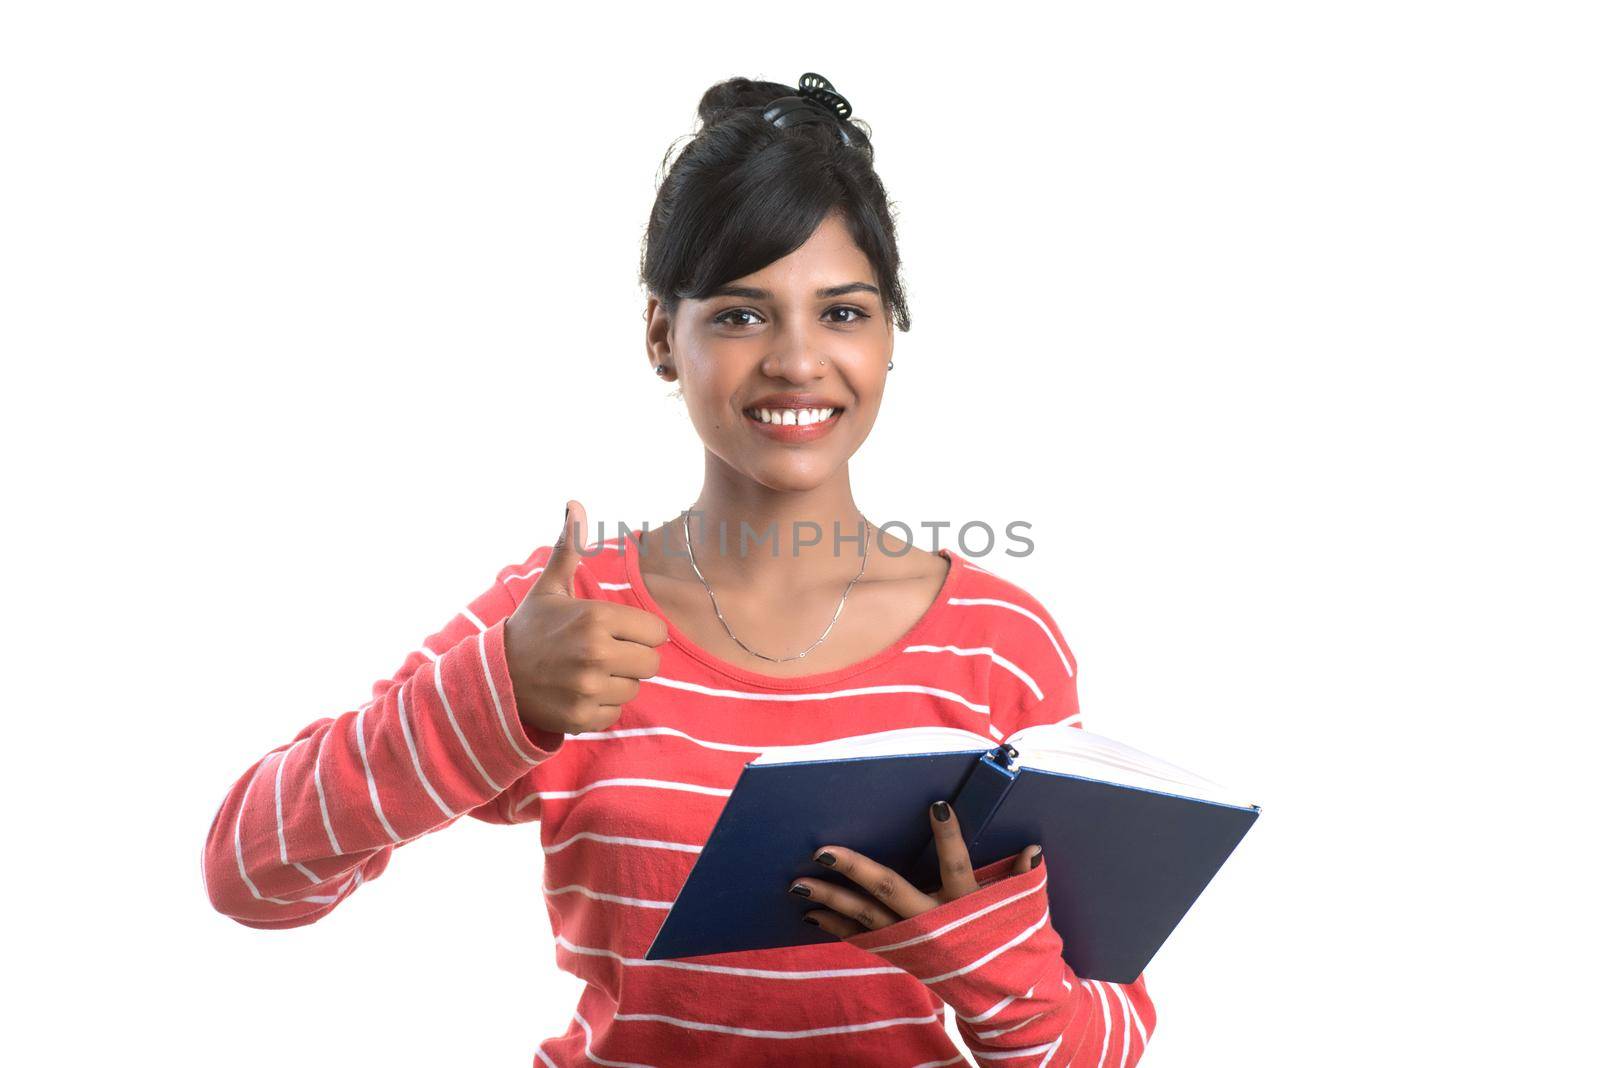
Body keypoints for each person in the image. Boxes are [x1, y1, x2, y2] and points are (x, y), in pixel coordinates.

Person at [202, 72, 1157, 1067]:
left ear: (886, 336)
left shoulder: (1000, 646)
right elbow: (251, 877)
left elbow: (1107, 1033)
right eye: (741, 315)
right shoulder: (568, 618)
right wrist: (493, 698)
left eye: (842, 313)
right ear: (663, 334)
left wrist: (997, 979)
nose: (797, 360)